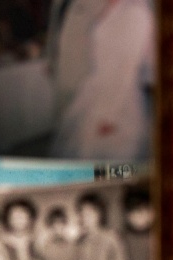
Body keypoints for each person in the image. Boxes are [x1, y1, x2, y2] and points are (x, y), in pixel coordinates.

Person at [50, 0, 155, 161]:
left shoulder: (135, 12)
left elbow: (126, 69)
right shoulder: (111, 5)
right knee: (87, 158)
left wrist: (109, 114)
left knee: (111, 162)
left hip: (118, 102)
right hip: (95, 89)